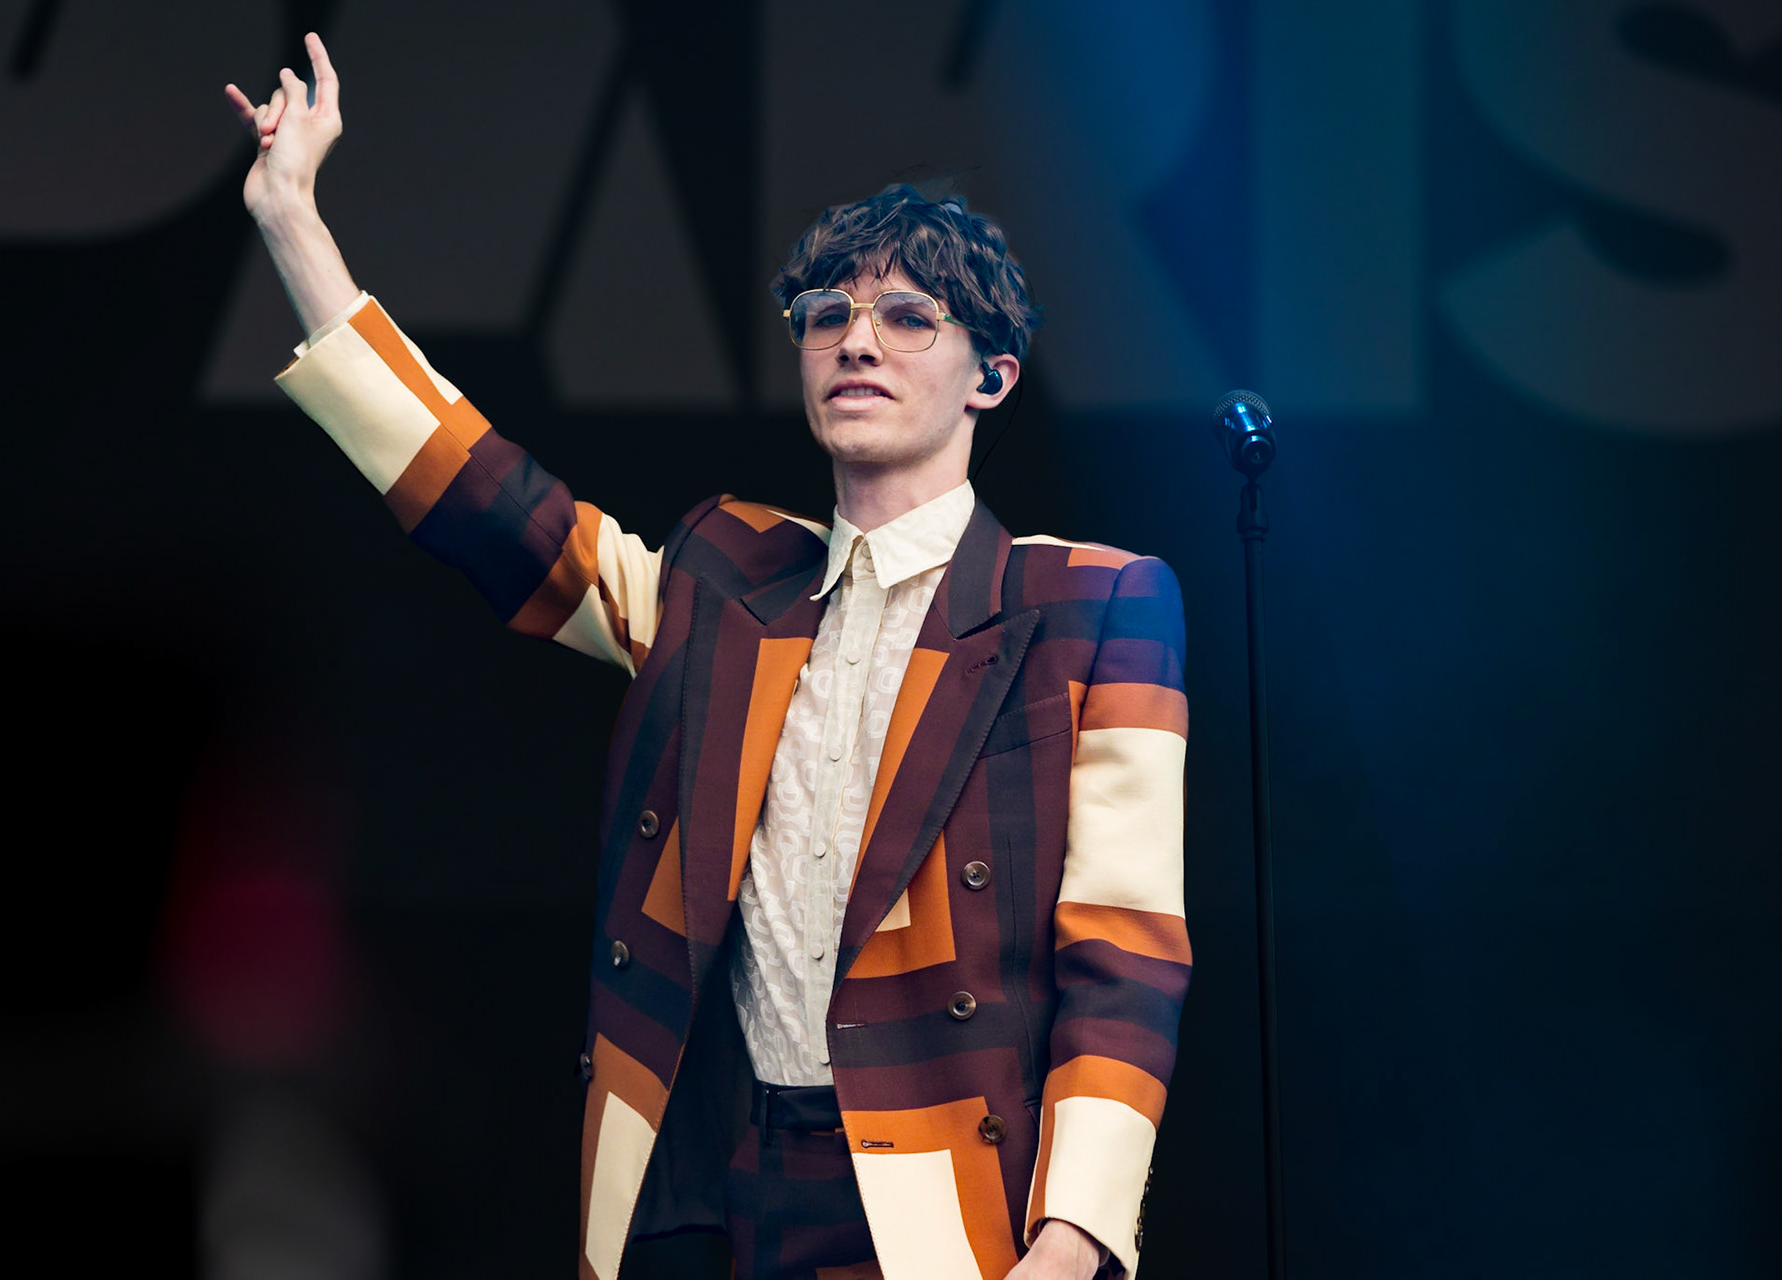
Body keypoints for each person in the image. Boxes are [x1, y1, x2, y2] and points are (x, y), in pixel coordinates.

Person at [226, 33, 1189, 1280]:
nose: (857, 341)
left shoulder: (1087, 601)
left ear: (991, 376)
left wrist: (1074, 1233)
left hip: (939, 1198)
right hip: (719, 1178)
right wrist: (294, 221)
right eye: (828, 313)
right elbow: (494, 508)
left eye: (908, 316)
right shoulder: (725, 577)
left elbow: (1125, 945)